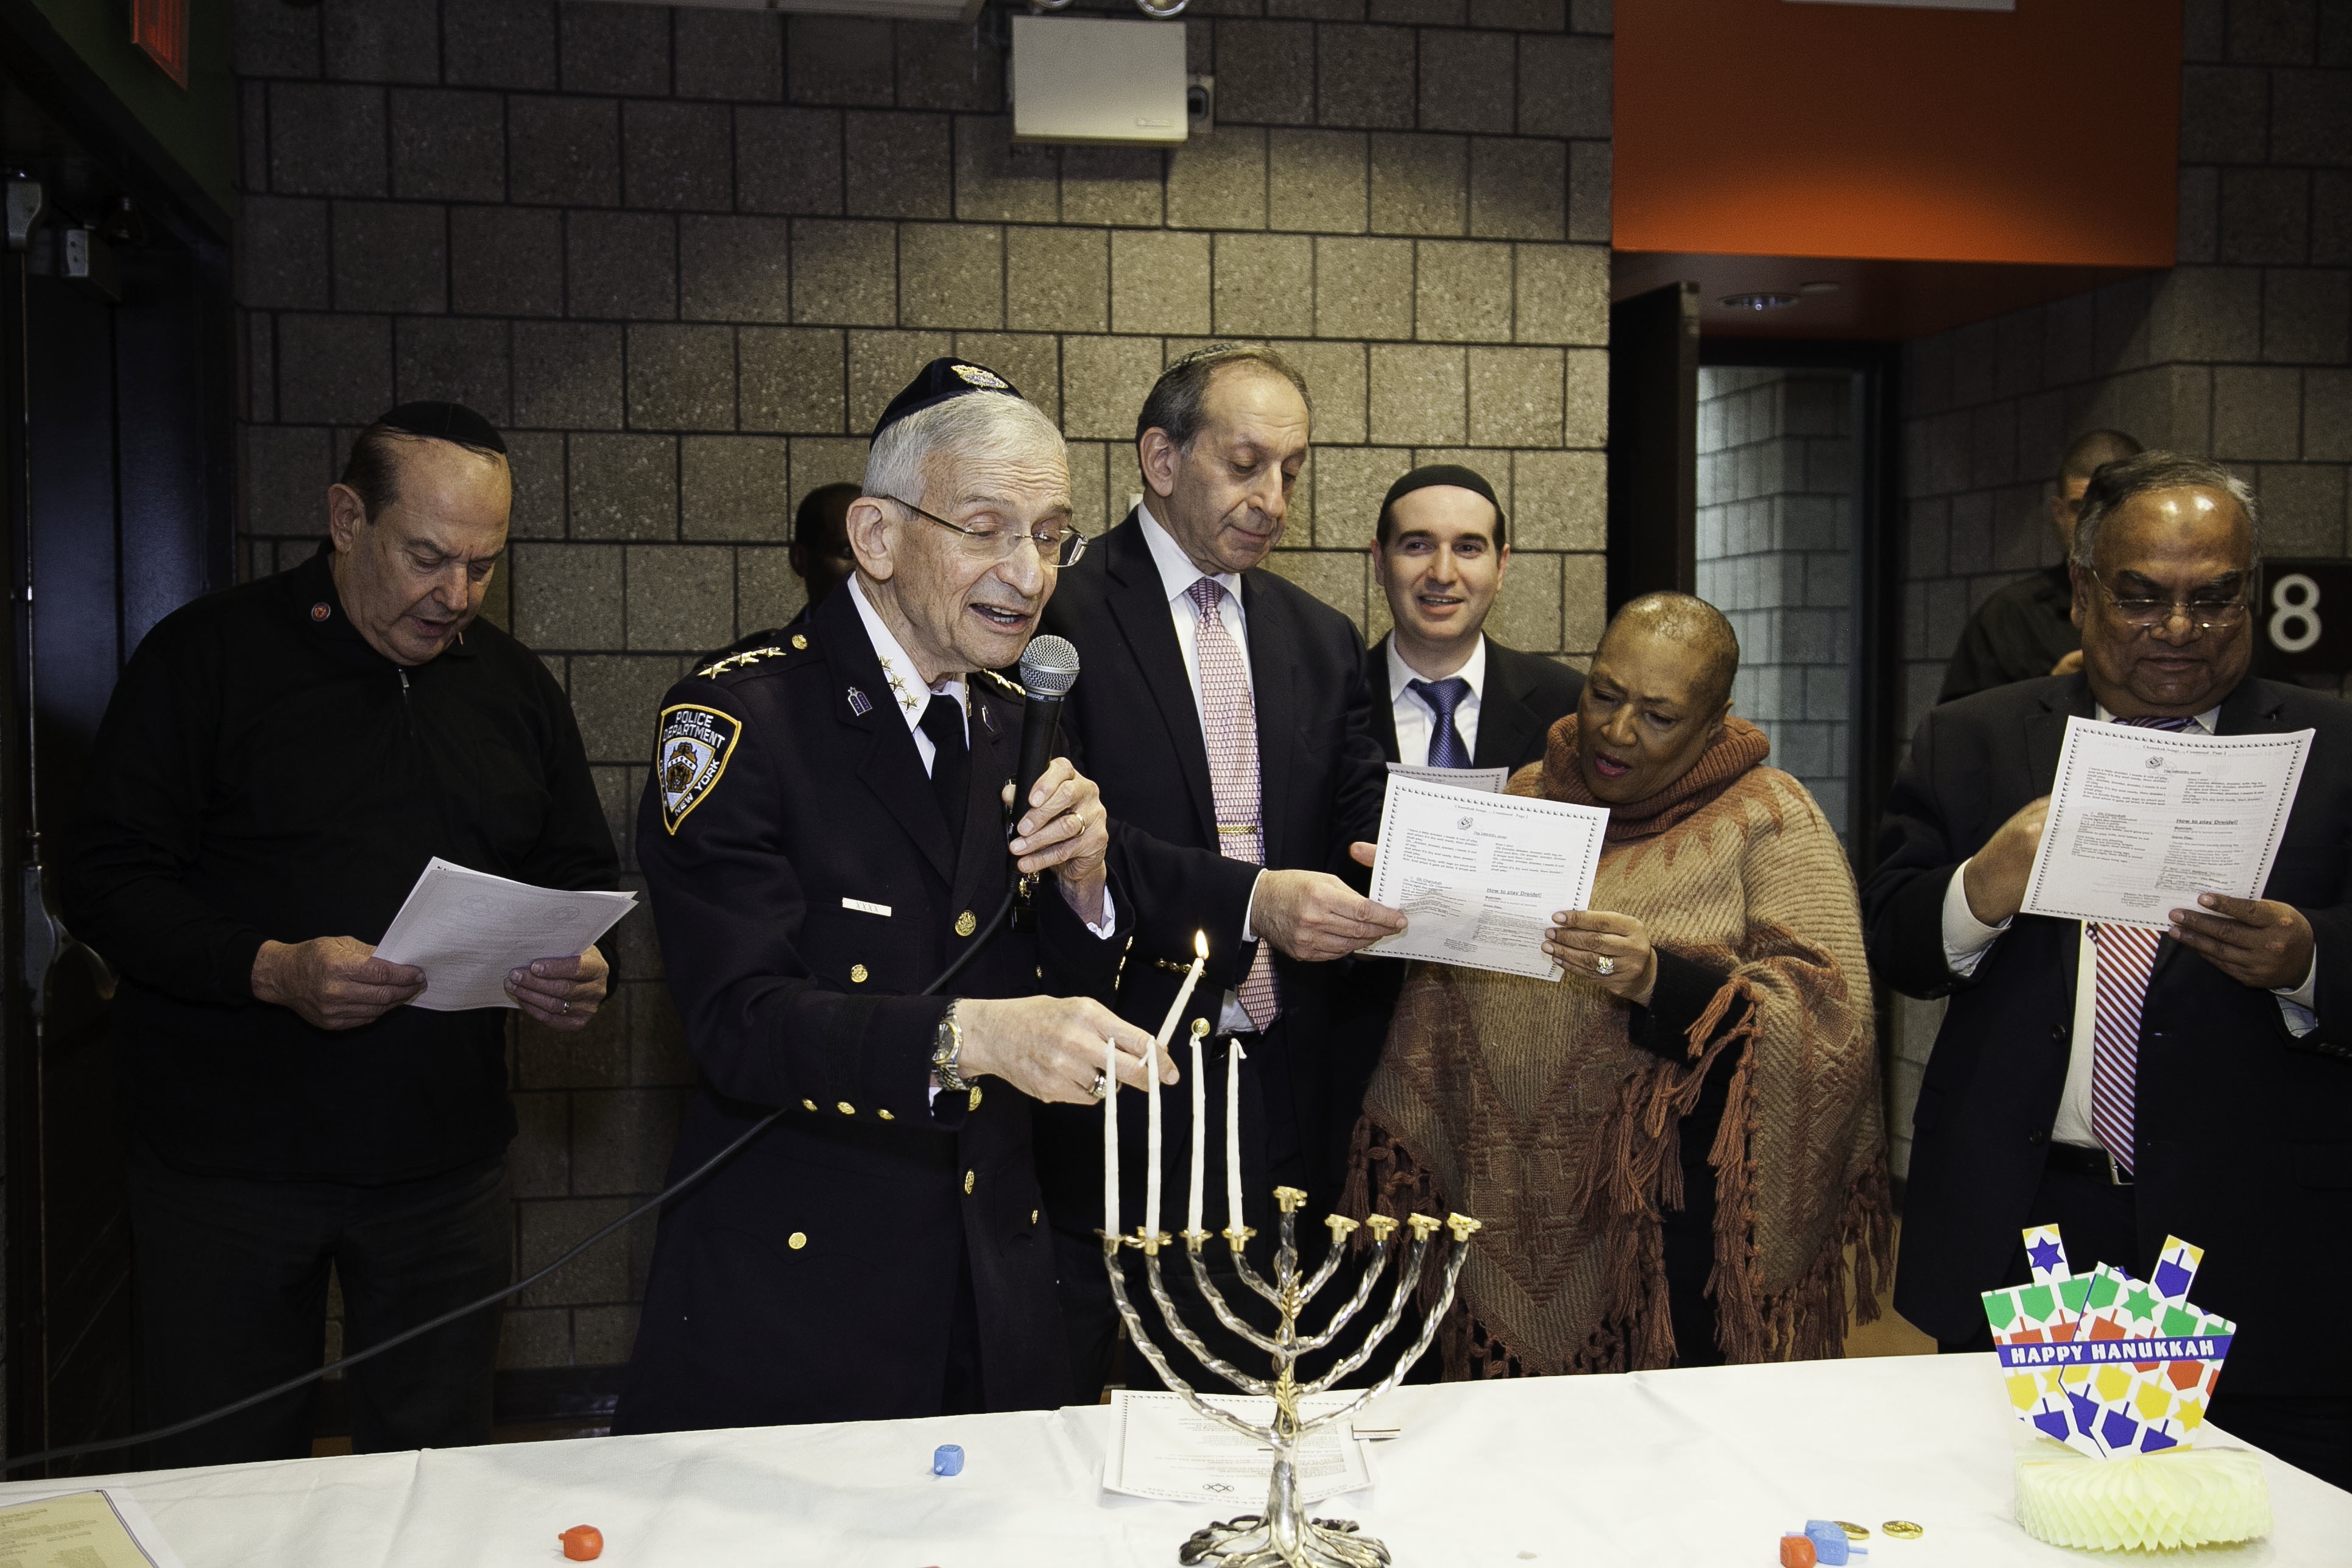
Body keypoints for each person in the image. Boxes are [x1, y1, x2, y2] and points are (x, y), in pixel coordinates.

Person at [614, 361, 1170, 1433]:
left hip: (995, 1286)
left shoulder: (1021, 719)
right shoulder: (743, 721)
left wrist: (1090, 887)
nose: (1029, 569)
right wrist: (970, 1039)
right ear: (876, 537)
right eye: (986, 528)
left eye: (1053, 534)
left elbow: (1060, 993)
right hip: (807, 1297)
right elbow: (739, 1021)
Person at [58, 401, 618, 1466]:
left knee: (436, 1455)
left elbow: (579, 872)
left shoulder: (511, 687)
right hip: (227, 1166)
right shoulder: (207, 657)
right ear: (346, 517)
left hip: (442, 1165)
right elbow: (107, 877)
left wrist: (587, 968)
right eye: (428, 557)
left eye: (484, 566)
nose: (454, 596)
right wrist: (268, 968)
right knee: (223, 1469)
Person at [1866, 451, 2352, 1488]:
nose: (2178, 630)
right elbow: (1894, 939)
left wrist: (2311, 959)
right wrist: (1980, 888)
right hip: (2035, 1214)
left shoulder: (2333, 744)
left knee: (2262, 1517)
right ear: (2083, 590)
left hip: (2264, 1229)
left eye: (2214, 598)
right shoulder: (1976, 739)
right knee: (2019, 1504)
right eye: (2141, 597)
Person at [1344, 593, 1888, 1377]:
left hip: (1675, 1240)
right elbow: (1446, 1005)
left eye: (1659, 716)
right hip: (1497, 1210)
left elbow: (1831, 1021)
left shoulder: (1769, 815)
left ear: (1715, 719)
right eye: (1604, 694)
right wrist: (1407, 916)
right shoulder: (1526, 800)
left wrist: (1660, 981)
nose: (1617, 731)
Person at [1035, 343, 1404, 1400]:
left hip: (1283, 1066)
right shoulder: (1059, 615)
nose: (1274, 498)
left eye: (1292, 469)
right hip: (1118, 1064)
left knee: (1262, 1378)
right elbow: (1067, 832)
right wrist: (1255, 900)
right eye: (1246, 463)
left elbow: (1353, 813)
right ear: (1160, 456)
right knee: (1087, 1387)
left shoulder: (1318, 634)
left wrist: (1424, 860)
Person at [1366, 464, 1585, 773]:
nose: (1442, 574)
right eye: (1417, 546)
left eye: (1467, 549)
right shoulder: (1330, 705)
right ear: (1380, 562)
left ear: (1501, 566)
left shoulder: (1568, 706)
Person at [1938, 429, 2142, 702]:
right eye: (2080, 508)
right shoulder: (2009, 618)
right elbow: (1960, 736)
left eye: (2113, 508)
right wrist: (2051, 694)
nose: (2093, 524)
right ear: (2058, 513)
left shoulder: (2185, 610)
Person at [699, 481, 860, 667]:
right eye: (849, 552)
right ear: (801, 560)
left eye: (879, 550)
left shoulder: (900, 656)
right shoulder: (742, 671)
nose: (868, 566)